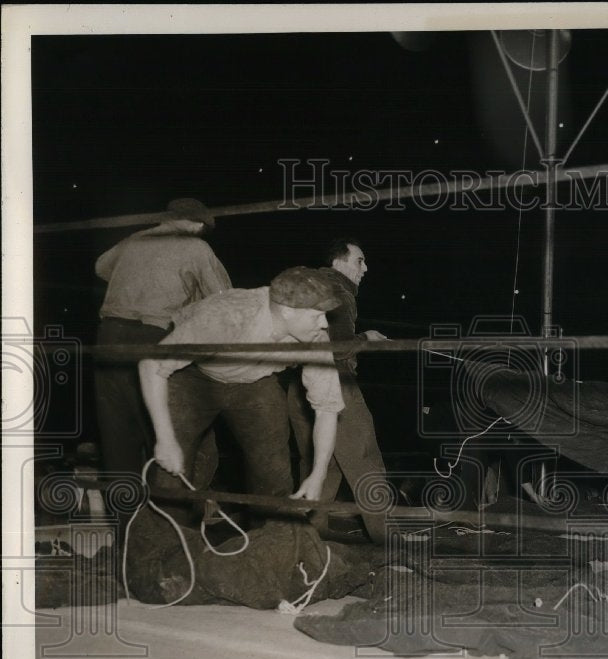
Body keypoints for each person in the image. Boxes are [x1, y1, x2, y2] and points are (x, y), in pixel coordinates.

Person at [138, 267, 345, 519]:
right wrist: (165, 438)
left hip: (254, 382)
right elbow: (151, 365)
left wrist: (318, 476)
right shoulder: (229, 316)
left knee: (273, 470)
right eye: (317, 316)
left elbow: (327, 408)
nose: (324, 324)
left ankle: (274, 537)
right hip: (196, 376)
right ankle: (168, 534)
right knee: (171, 467)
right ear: (288, 311)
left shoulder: (316, 338)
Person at [93, 198, 230, 536]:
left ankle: (128, 536)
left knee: (117, 440)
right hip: (154, 337)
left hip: (108, 339)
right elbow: (223, 297)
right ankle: (169, 534)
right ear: (198, 225)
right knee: (167, 434)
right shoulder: (197, 247)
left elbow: (100, 267)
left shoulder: (134, 240)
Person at [286, 238, 390, 543]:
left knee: (322, 461)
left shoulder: (310, 286)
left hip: (297, 385)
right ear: (338, 262)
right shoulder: (339, 290)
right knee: (364, 457)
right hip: (334, 381)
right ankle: (386, 537)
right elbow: (340, 347)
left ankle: (310, 536)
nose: (365, 268)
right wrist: (367, 339)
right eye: (359, 260)